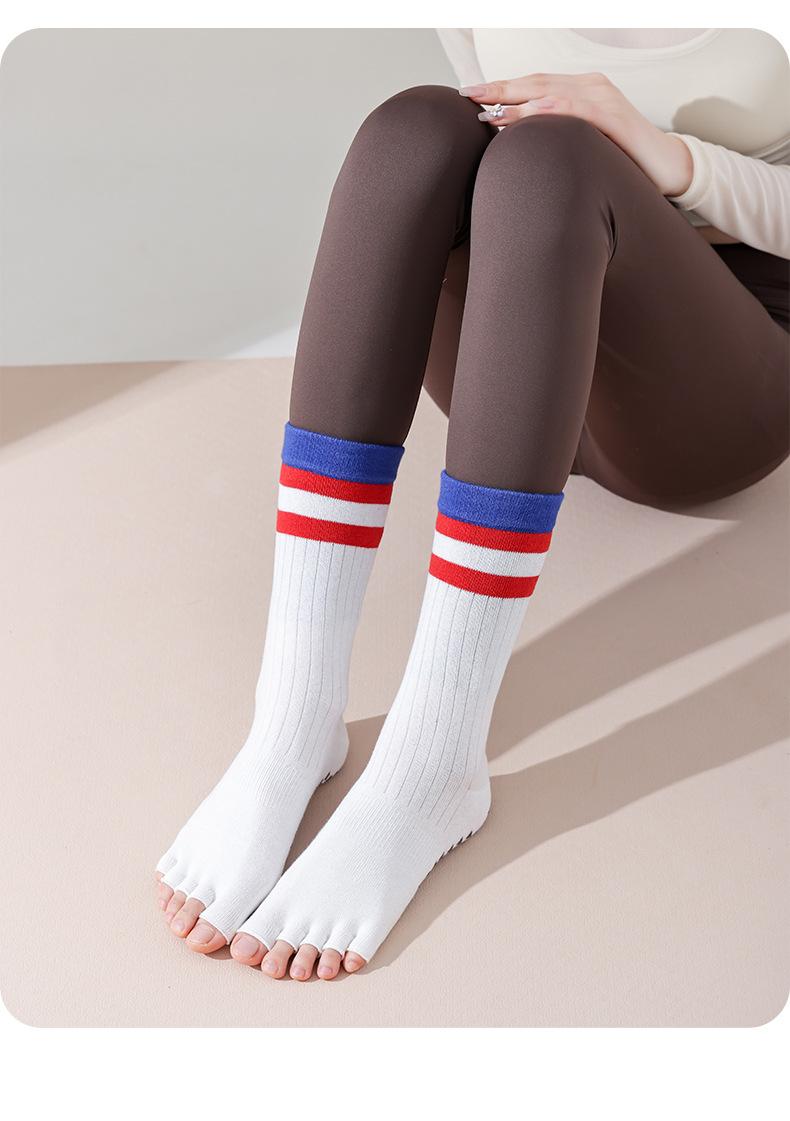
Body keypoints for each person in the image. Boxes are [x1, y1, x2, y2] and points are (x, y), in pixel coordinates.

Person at [154, 28, 790, 981]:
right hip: (517, 365)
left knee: (556, 157)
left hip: (709, 393)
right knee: (414, 130)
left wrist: (665, 157)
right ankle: (292, 724)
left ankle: (433, 763)